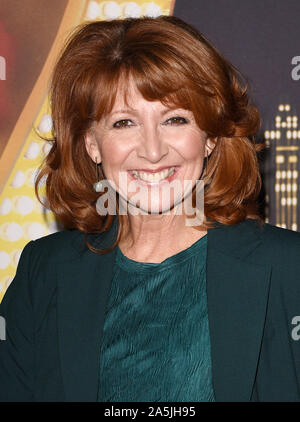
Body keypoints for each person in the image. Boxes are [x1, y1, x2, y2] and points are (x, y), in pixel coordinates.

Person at [0, 15, 300, 403]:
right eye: (124, 123)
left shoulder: (288, 269)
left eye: (175, 119)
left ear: (209, 136)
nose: (153, 151)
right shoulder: (44, 273)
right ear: (92, 143)